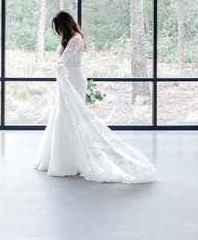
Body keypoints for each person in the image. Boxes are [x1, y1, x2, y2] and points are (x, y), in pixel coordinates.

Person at [33, 11, 156, 183]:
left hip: (74, 80)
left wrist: (58, 65)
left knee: (74, 116)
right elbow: (62, 59)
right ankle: (63, 157)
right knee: (62, 114)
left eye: (59, 27)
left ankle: (76, 158)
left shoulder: (76, 39)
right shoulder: (69, 39)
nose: (58, 31)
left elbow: (64, 59)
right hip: (66, 80)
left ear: (65, 25)